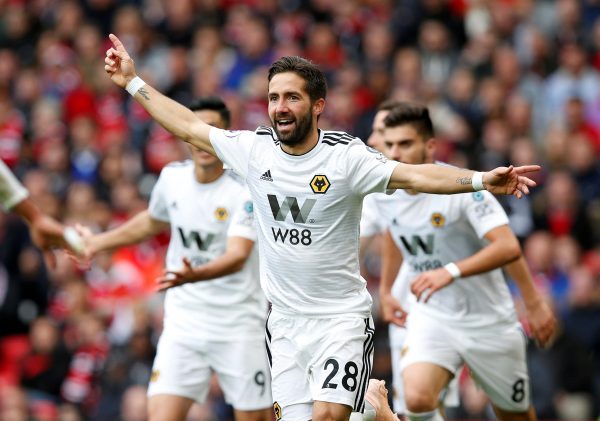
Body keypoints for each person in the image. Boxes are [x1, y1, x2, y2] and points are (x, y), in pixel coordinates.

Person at [103, 33, 539, 421]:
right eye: (274, 98)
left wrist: (480, 180)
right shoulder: (253, 151)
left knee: (329, 416)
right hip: (285, 324)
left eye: (292, 97)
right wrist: (133, 83)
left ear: (317, 106)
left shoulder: (346, 158)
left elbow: (415, 175)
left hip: (340, 320)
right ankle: (376, 413)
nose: (280, 107)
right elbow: (189, 127)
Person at [76, 97, 273, 421]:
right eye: (195, 130)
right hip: (184, 322)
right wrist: (99, 242)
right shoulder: (172, 178)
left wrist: (194, 275)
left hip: (237, 323)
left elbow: (238, 255)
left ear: (225, 137)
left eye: (211, 130)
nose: (201, 138)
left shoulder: (244, 189)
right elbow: (152, 221)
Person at [376, 103, 556, 421]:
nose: (395, 153)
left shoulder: (463, 185)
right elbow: (393, 230)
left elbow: (507, 247)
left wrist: (533, 302)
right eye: (389, 144)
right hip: (432, 316)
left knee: (515, 415)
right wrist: (387, 289)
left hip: (488, 319)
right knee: (416, 398)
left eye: (405, 143)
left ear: (430, 146)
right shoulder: (387, 190)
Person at [360, 102, 459, 420]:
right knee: (416, 406)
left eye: (382, 132)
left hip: (444, 307)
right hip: (407, 306)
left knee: (420, 404)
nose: (374, 140)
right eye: (378, 133)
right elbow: (377, 236)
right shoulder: (379, 189)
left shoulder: (442, 181)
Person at [0, 159, 83, 267]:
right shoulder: (15, 228)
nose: (44, 201)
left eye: (45, 194)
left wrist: (34, 217)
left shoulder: (69, 222)